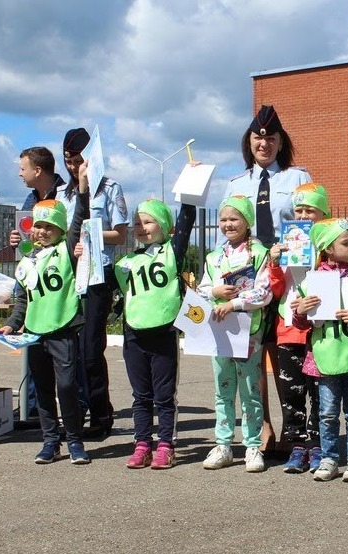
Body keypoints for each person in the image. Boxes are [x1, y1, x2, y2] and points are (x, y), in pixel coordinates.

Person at [224, 104, 312, 456]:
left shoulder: (297, 178)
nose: (264, 143)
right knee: (253, 357)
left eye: (271, 138)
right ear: (249, 141)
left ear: (280, 142)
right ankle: (262, 426)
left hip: (286, 276)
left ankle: (295, 428)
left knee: (287, 353)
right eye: (258, 137)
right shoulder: (235, 184)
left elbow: (311, 225)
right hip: (248, 277)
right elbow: (225, 235)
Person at [0, 165, 91, 464]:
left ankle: (74, 440)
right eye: (38, 226)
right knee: (43, 389)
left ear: (61, 231)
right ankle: (50, 441)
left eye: (49, 227)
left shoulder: (66, 249)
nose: (41, 231)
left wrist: (83, 188)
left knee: (66, 386)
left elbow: (79, 218)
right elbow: (23, 299)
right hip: (35, 332)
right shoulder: (28, 258)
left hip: (62, 328)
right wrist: (13, 325)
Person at [293, 218, 348, 483]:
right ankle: (329, 458)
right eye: (346, 243)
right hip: (325, 357)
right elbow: (299, 322)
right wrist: (300, 311)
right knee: (327, 412)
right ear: (328, 249)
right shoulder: (312, 281)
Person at [110, 198, 197, 469]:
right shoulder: (125, 262)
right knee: (141, 395)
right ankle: (142, 443)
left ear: (165, 226)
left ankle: (166, 445)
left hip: (164, 333)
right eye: (137, 222)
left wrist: (189, 195)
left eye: (148, 222)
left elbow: (186, 223)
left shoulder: (172, 251)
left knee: (164, 395)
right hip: (134, 335)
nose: (141, 227)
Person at [60, 128, 130, 438]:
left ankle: (102, 417)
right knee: (68, 353)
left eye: (79, 160)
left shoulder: (110, 188)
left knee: (90, 349)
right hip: (67, 277)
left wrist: (91, 236)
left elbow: (122, 234)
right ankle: (75, 414)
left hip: (97, 277)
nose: (75, 167)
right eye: (69, 161)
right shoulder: (63, 193)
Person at [198, 195, 275, 472]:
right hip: (219, 334)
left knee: (251, 391)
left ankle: (253, 446)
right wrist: (214, 293)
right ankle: (223, 444)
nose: (228, 224)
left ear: (247, 221)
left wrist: (235, 303)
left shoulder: (259, 253)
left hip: (248, 333)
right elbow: (203, 290)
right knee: (223, 390)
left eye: (234, 218)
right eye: (223, 219)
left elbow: (264, 292)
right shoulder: (213, 258)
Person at [274, 183, 329, 474]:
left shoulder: (331, 245)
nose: (304, 215)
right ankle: (296, 446)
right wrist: (273, 262)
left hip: (319, 328)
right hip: (289, 327)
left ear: (324, 213)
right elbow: (276, 288)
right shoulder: (287, 243)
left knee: (320, 393)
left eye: (311, 209)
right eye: (299, 209)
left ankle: (319, 446)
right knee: (292, 392)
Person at [10, 146, 67, 417]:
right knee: (34, 346)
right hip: (32, 275)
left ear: (38, 170)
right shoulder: (28, 201)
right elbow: (27, 244)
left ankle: (73, 407)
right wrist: (16, 244)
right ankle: (34, 406)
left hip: (58, 280)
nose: (19, 173)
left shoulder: (65, 196)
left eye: (23, 168)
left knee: (65, 353)